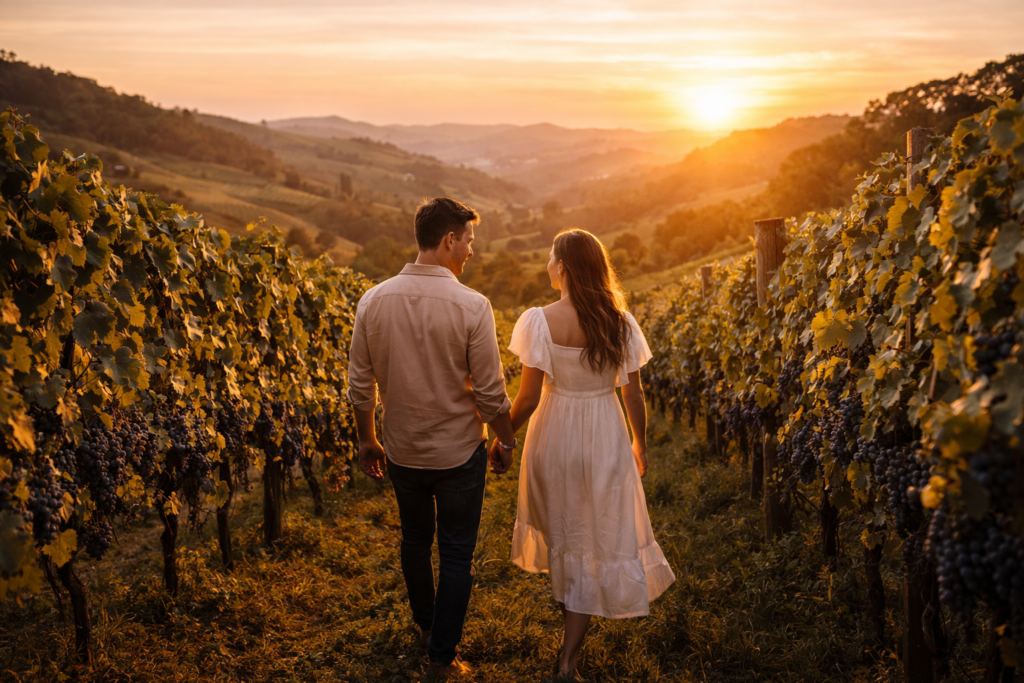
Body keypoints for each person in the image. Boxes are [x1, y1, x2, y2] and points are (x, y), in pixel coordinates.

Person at [347, 197, 518, 679]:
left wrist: (367, 440)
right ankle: (442, 658)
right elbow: (490, 394)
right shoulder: (473, 306)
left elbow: (360, 384)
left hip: (402, 451)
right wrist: (506, 442)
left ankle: (426, 628)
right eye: (469, 241)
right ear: (449, 240)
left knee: (415, 541)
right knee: (457, 553)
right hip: (459, 454)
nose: (471, 251)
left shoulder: (372, 300)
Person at [496, 228, 675, 680]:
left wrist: (502, 437)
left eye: (550, 258)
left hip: (553, 435)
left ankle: (568, 656)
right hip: (604, 436)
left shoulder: (538, 320)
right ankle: (569, 660)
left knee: (565, 537)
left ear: (562, 267)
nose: (547, 265)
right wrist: (639, 442)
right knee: (590, 542)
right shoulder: (621, 322)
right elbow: (633, 395)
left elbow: (528, 398)